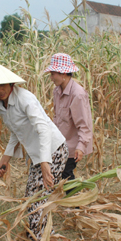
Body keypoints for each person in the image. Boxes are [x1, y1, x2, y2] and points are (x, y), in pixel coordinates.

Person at [0, 61, 68, 241]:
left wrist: (45, 163)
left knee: (37, 200)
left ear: (10, 84)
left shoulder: (24, 99)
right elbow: (16, 132)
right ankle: (43, 237)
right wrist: (5, 159)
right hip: (39, 154)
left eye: (2, 85)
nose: (0, 91)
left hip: (53, 151)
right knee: (32, 198)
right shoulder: (1, 105)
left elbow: (44, 129)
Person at [44, 53, 93, 182]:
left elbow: (84, 124)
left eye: (53, 74)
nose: (51, 78)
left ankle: (74, 200)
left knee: (66, 174)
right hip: (60, 143)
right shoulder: (57, 91)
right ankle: (69, 199)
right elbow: (57, 117)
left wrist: (81, 146)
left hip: (72, 145)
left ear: (63, 74)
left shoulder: (78, 94)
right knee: (61, 174)